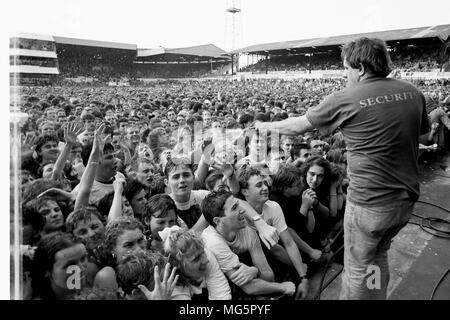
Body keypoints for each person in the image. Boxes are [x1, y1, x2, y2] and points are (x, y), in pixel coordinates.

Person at [256, 37, 430, 300]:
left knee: (356, 267)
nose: (345, 74)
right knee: (377, 256)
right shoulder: (413, 93)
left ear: (359, 67)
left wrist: (264, 127)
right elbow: (425, 137)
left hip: (370, 205)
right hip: (404, 202)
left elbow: (296, 127)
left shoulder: (346, 98)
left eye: (346, 68)